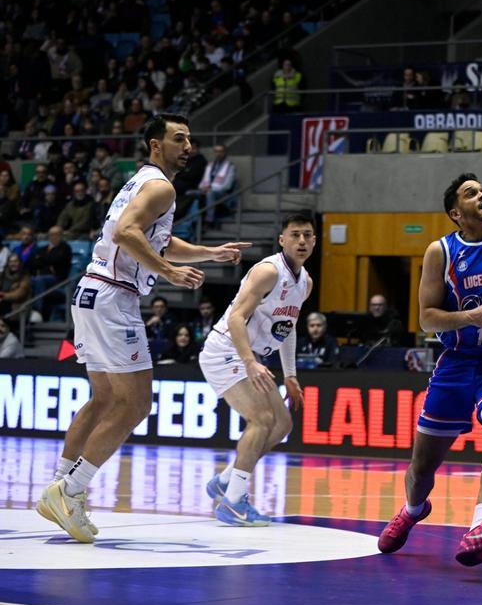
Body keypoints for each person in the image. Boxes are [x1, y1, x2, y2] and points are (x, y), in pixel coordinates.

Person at [36, 114, 248, 544]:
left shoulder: (142, 182)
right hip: (115, 297)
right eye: (179, 138)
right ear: (156, 144)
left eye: (189, 139)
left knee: (103, 399)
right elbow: (126, 232)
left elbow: (157, 241)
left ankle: (59, 486)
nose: (188, 146)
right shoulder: (161, 187)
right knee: (135, 405)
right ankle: (70, 491)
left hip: (91, 292)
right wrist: (169, 273)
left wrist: (208, 253)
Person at [377, 175, 482, 565]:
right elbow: (426, 318)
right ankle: (413, 510)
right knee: (422, 468)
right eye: (471, 193)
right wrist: (471, 316)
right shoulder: (440, 252)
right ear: (456, 213)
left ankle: (480, 525)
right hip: (456, 364)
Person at [198, 213, 314, 524]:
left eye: (307, 235)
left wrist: (290, 374)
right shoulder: (267, 271)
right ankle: (233, 502)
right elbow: (236, 317)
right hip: (226, 350)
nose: (302, 241)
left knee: (282, 425)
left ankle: (225, 481)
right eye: (295, 235)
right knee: (262, 419)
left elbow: (287, 328)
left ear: (314, 241)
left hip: (249, 355)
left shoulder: (305, 283)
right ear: (282, 240)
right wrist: (250, 362)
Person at [198, 143, 236, 226]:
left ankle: (209, 220)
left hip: (222, 193)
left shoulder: (229, 166)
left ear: (224, 153)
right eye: (216, 151)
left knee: (210, 193)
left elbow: (227, 186)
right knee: (190, 193)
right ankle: (194, 221)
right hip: (207, 190)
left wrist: (210, 188)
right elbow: (203, 181)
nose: (218, 154)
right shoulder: (210, 165)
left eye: (220, 151)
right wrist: (202, 188)